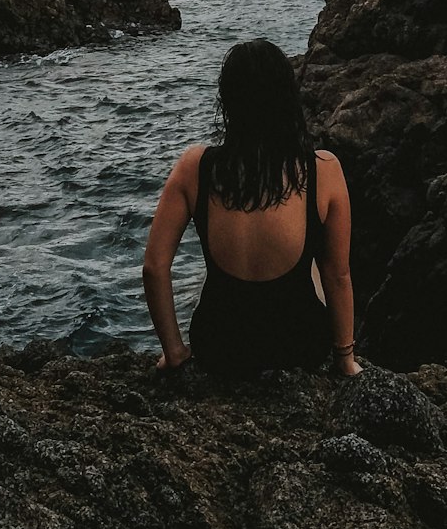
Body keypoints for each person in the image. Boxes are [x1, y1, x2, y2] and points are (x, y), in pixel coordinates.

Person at [143, 38, 362, 378]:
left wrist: (174, 352)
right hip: (298, 348)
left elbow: (155, 267)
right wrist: (344, 358)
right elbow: (339, 275)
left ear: (228, 101)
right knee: (321, 267)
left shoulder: (194, 167)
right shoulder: (324, 170)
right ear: (288, 100)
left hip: (220, 349)